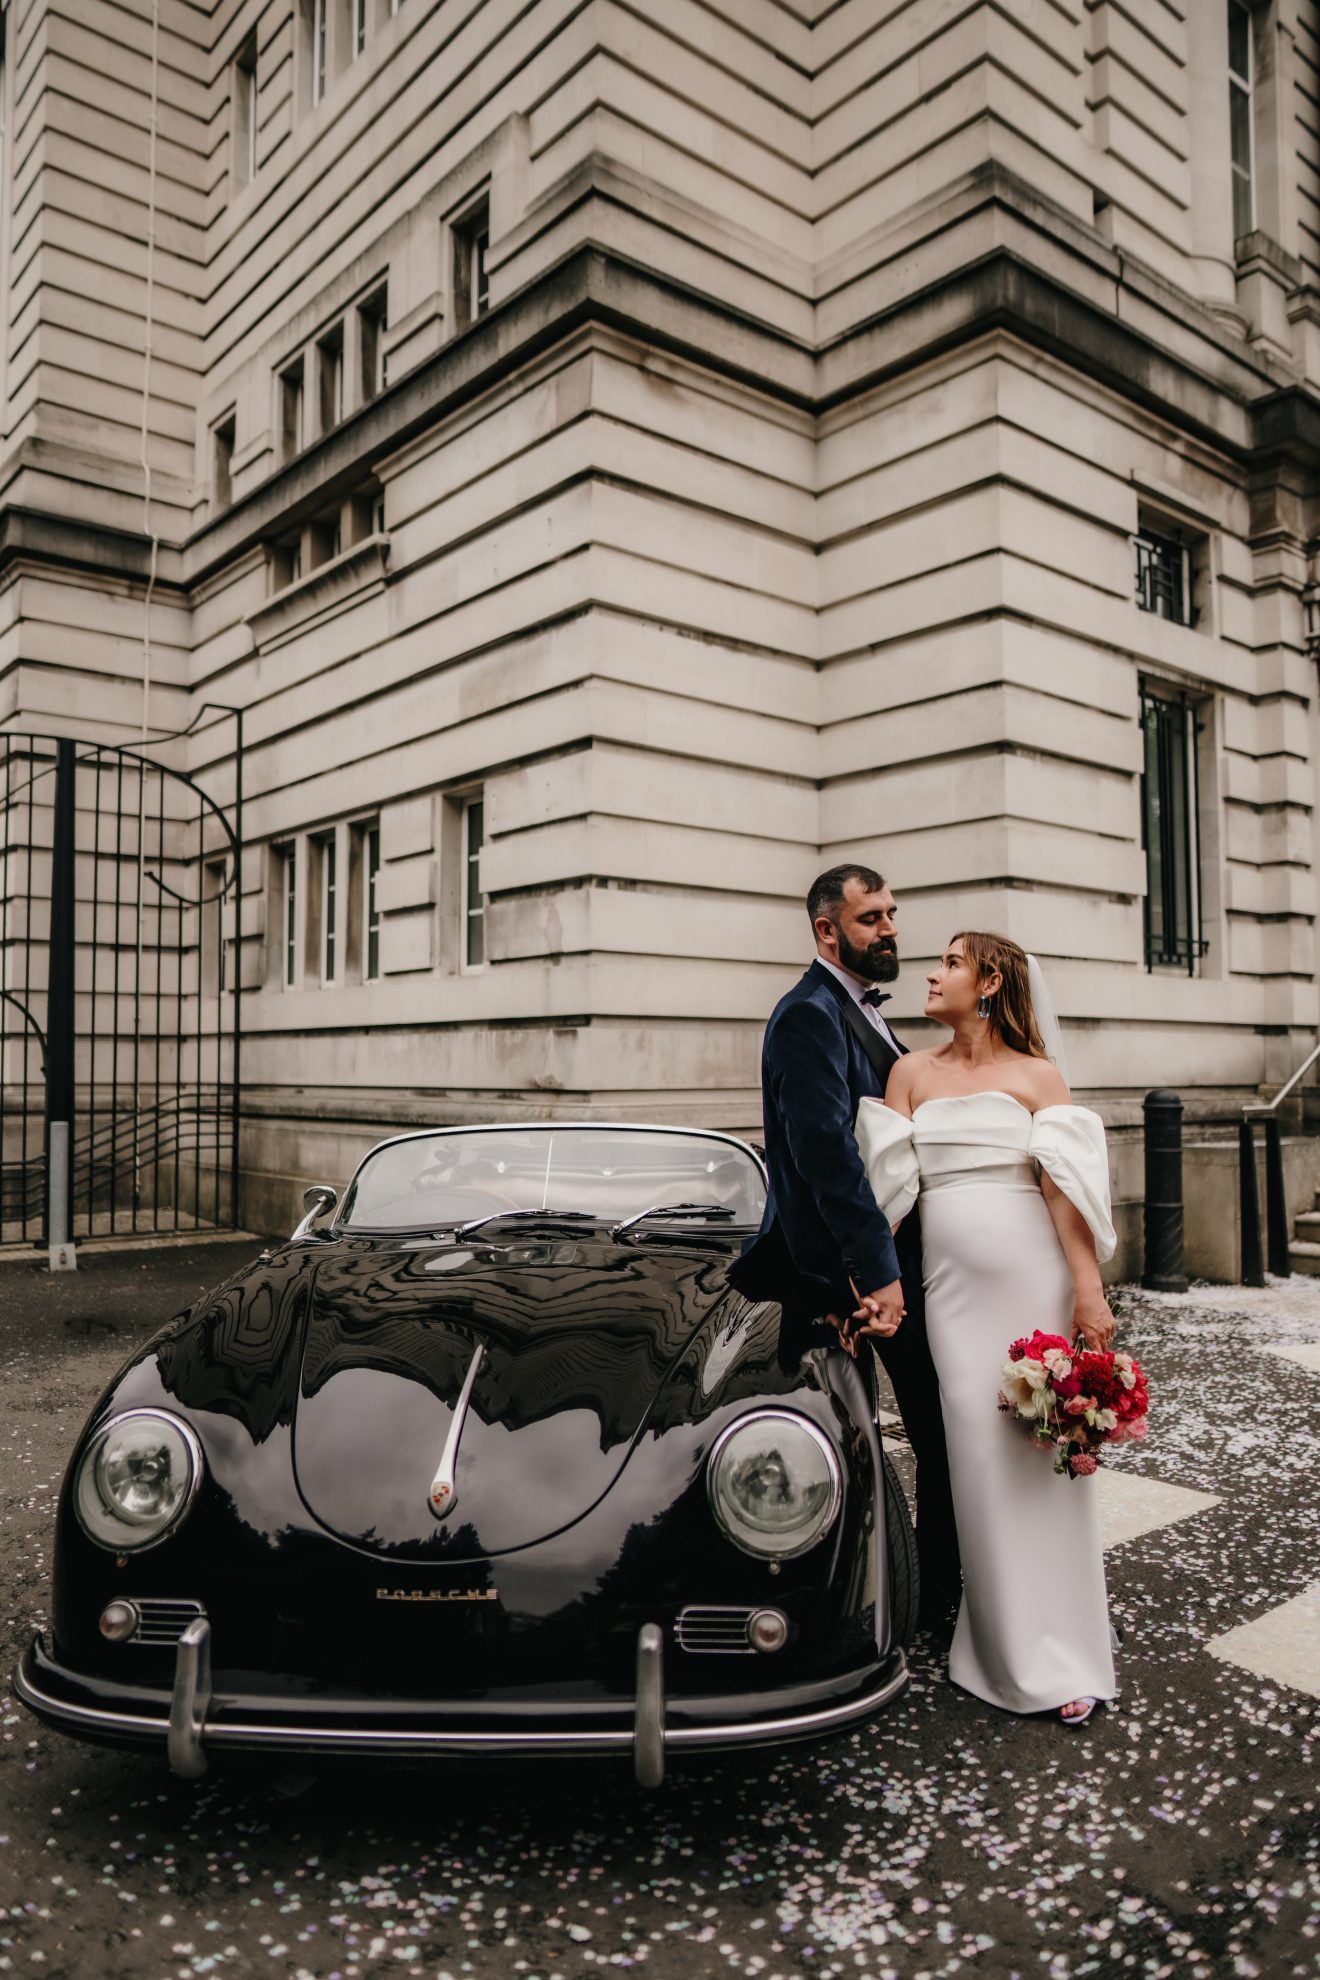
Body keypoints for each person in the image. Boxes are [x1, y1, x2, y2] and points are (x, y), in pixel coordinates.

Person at [853, 930, 1118, 1724]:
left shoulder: (1040, 1077)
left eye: (952, 963)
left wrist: (1087, 1291)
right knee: (972, 1457)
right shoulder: (908, 1074)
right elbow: (883, 1196)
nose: (932, 975)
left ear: (992, 981)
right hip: (952, 1294)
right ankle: (998, 1650)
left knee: (1041, 1454)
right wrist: (864, 1287)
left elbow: (1061, 1191)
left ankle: (1063, 1649)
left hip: (1032, 1283)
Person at [729, 864, 961, 1629]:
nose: (890, 928)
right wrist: (874, 1274)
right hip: (844, 1282)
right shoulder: (809, 1014)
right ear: (827, 931)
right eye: (871, 919)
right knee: (847, 1446)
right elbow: (823, 1151)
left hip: (885, 1271)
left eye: (892, 913)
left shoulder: (857, 1010)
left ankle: (928, 1602)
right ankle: (848, 1614)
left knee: (931, 1433)